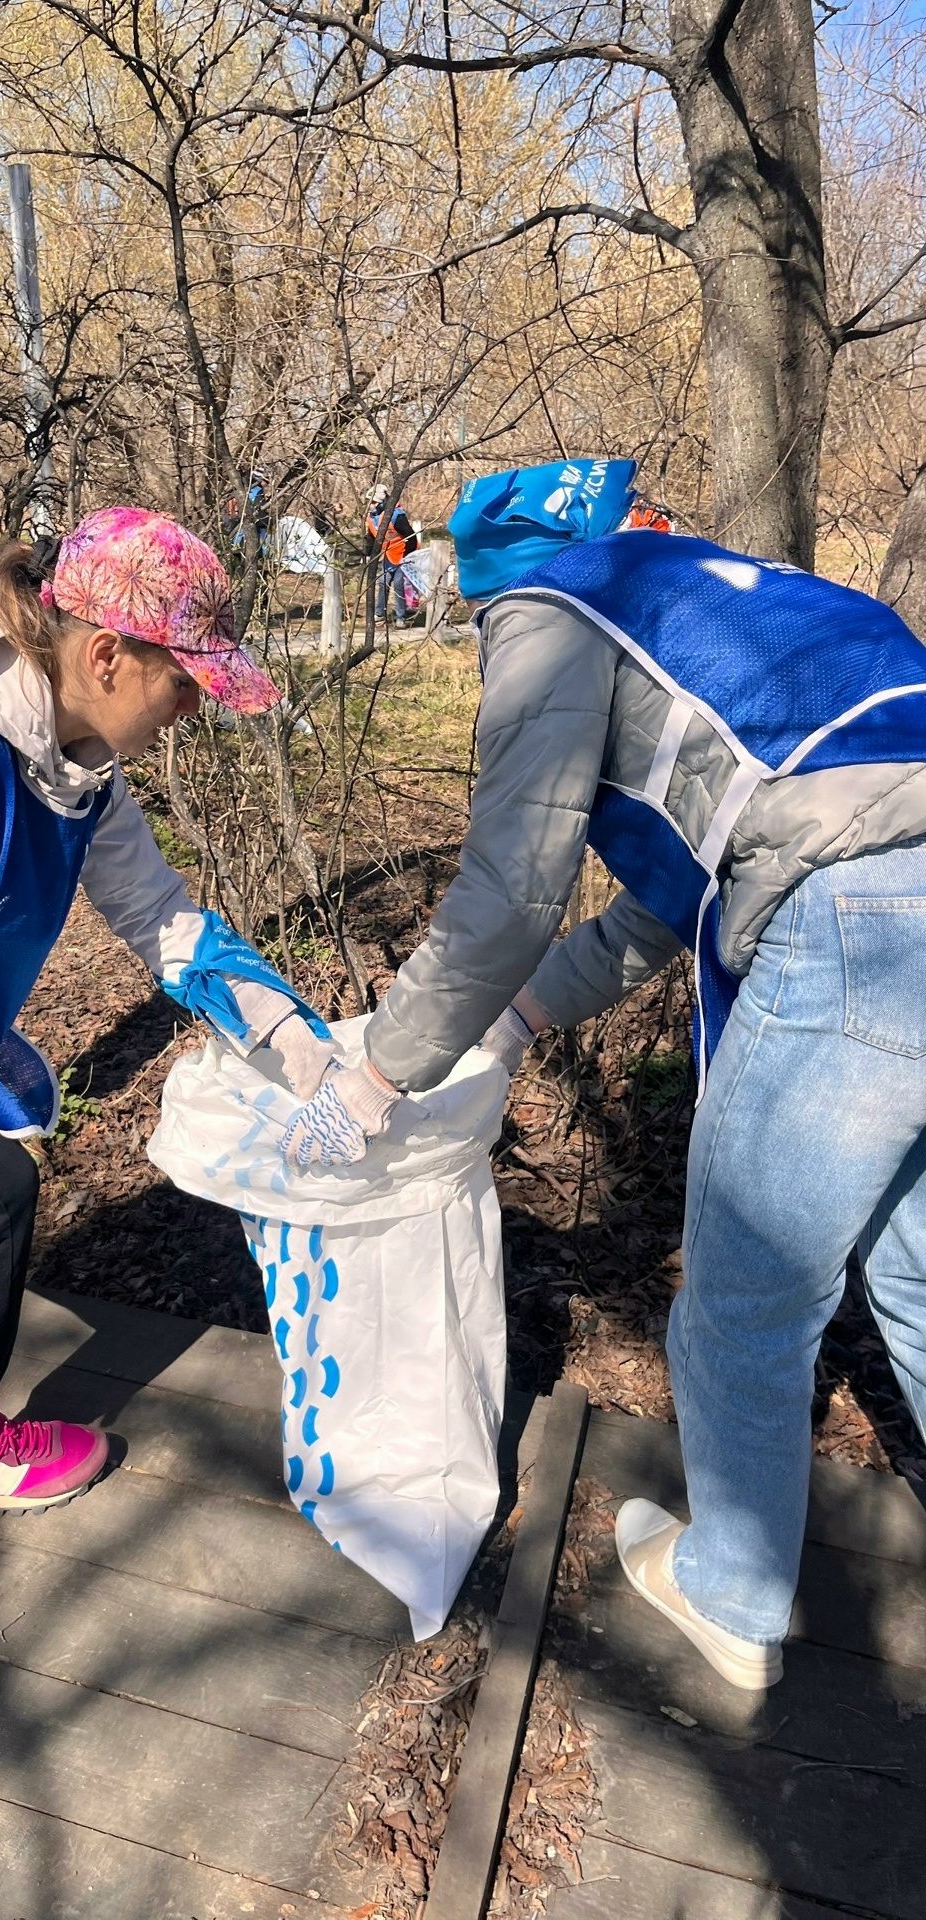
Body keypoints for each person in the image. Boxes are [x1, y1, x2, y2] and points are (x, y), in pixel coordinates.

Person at [282, 455, 926, 1692]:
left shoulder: (549, 606)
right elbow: (663, 907)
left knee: (749, 1295)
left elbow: (513, 883)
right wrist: (518, 1018)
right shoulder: (702, 591)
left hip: (857, 914)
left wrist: (377, 1076)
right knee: (911, 1268)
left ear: (499, 586)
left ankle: (733, 1594)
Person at [0, 506, 337, 1522]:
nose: (194, 712)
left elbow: (159, 914)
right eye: (186, 684)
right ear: (109, 656)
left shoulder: (80, 767)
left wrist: (293, 1038)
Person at [365, 484, 419, 625]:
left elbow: (411, 537)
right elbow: (371, 538)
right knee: (383, 582)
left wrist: (407, 557)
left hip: (405, 553)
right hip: (390, 554)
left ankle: (401, 617)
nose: (369, 506)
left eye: (373, 503)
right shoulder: (370, 518)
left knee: (398, 584)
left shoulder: (396, 516)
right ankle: (379, 614)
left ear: (381, 503)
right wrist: (367, 555)